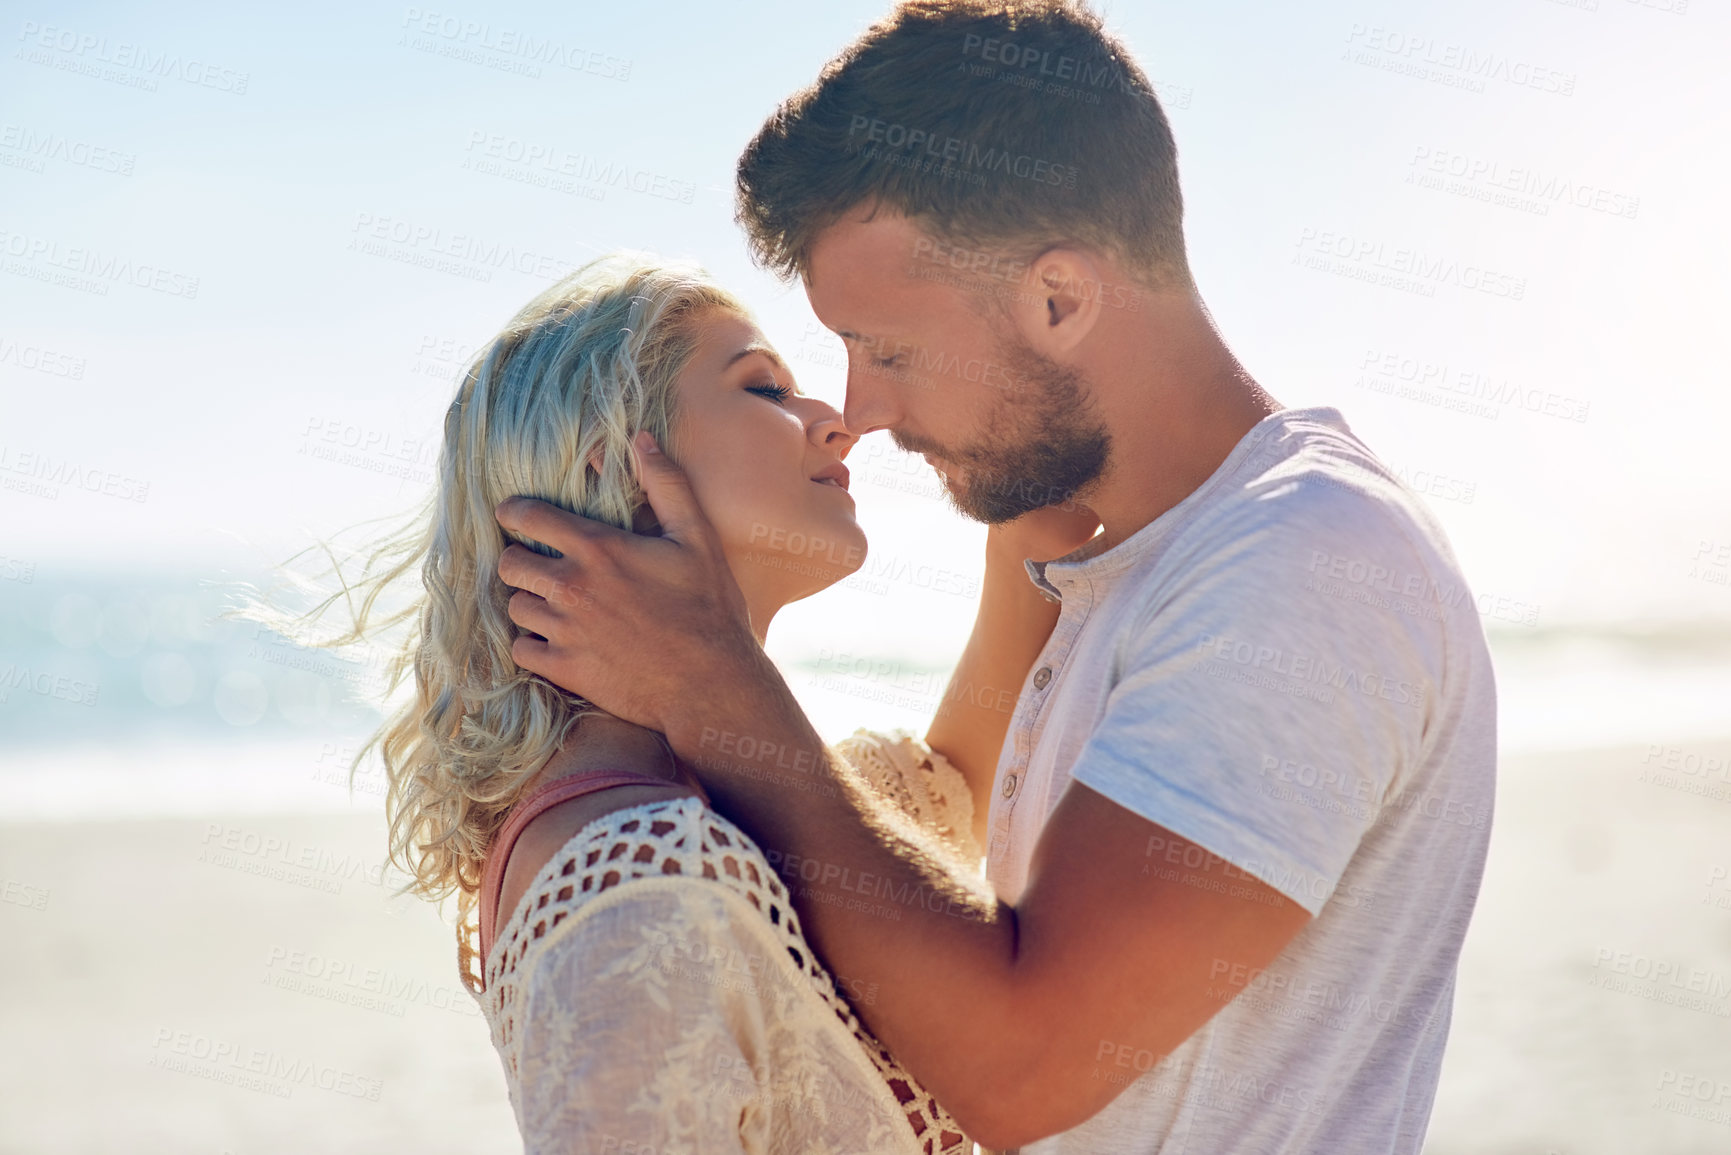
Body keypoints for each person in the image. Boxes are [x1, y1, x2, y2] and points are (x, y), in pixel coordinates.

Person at [491, 1, 1498, 1152]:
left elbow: (1022, 1067)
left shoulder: (1305, 559)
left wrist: (716, 686)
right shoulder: (1142, 562)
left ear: (1060, 298)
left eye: (891, 350)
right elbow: (949, 807)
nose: (859, 410)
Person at [303, 252, 1087, 1152]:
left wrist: (1027, 505)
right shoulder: (642, 875)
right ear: (619, 468)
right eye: (763, 389)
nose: (833, 421)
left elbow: (949, 786)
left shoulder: (718, 788)